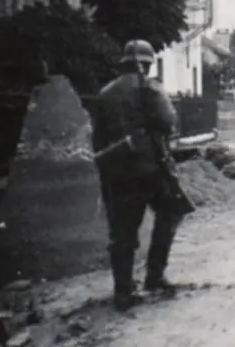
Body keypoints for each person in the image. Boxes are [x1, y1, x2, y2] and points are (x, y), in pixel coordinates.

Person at [91, 39, 183, 312]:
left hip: (115, 169)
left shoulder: (105, 92)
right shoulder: (150, 88)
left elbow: (97, 134)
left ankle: (123, 290)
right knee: (170, 211)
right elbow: (168, 121)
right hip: (149, 167)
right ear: (146, 63)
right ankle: (154, 275)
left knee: (122, 231)